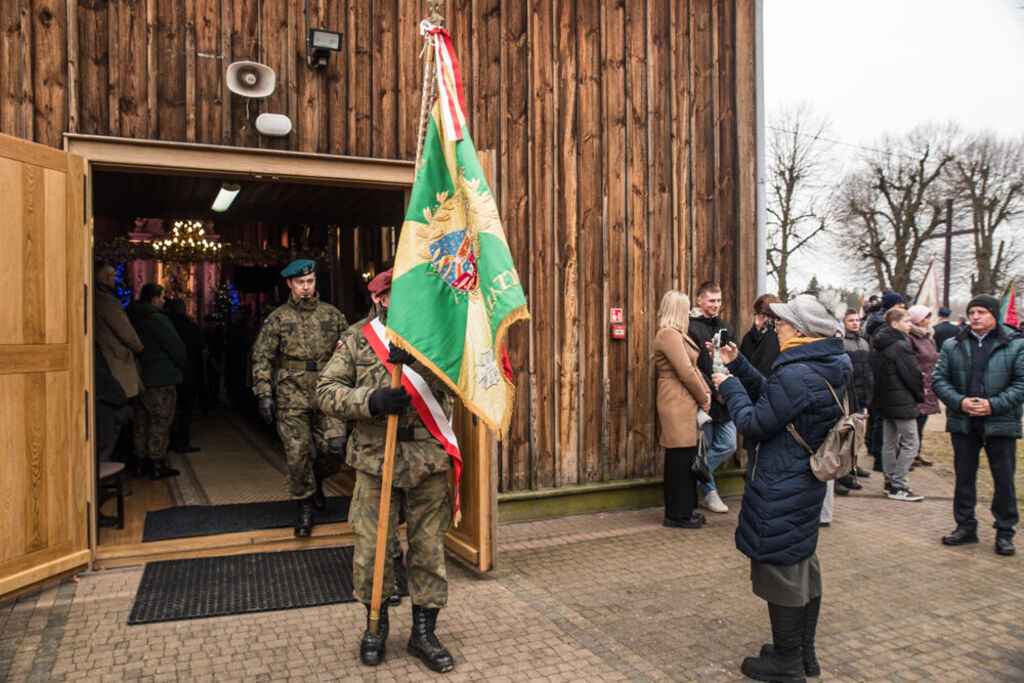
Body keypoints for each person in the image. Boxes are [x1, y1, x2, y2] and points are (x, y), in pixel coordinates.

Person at [317, 269, 457, 672]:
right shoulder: (359, 338)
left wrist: (421, 362)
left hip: (427, 458)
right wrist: (372, 400)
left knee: (428, 548)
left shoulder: (433, 335)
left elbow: (458, 383)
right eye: (400, 294)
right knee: (373, 550)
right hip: (376, 459)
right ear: (380, 299)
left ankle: (424, 633)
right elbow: (325, 390)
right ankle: (375, 627)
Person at [711, 293, 850, 681]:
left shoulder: (796, 371)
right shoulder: (826, 362)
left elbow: (756, 424)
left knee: (781, 569)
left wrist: (730, 387)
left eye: (783, 323)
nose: (777, 327)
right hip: (803, 480)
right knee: (802, 562)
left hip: (781, 481)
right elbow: (778, 397)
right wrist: (738, 364)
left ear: (800, 331)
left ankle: (787, 664)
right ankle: (803, 654)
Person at [251, 259, 349, 537]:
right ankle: (304, 507)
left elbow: (351, 355)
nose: (306, 288)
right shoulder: (278, 319)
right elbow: (261, 357)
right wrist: (263, 394)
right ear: (289, 284)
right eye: (300, 283)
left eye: (310, 282)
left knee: (334, 450)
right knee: (297, 455)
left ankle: (317, 479)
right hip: (291, 394)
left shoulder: (333, 316)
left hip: (327, 392)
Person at [933, 294, 1024, 557]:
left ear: (994, 314)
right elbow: (940, 380)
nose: (975, 317)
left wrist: (992, 405)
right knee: (964, 476)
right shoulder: (953, 344)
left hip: (1000, 422)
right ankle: (965, 526)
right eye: (972, 312)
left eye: (981, 312)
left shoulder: (1016, 344)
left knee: (1004, 479)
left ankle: (1005, 531)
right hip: (964, 421)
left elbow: (1020, 384)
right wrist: (960, 402)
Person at [654, 291, 712, 529]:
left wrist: (705, 392)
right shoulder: (668, 335)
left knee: (686, 456)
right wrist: (703, 395)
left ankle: (685, 509)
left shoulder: (677, 334)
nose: (690, 313)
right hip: (675, 400)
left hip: (683, 399)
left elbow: (692, 369)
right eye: (686, 308)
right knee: (678, 458)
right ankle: (677, 514)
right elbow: (685, 371)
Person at [687, 281, 737, 514]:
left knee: (728, 444)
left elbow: (734, 359)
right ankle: (710, 493)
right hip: (705, 398)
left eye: (718, 301)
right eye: (711, 301)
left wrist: (728, 389)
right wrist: (712, 391)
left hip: (726, 398)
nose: (716, 305)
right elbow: (693, 365)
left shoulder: (726, 327)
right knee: (705, 448)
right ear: (699, 301)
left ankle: (693, 479)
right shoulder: (691, 327)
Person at [128, 283, 187, 479]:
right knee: (160, 421)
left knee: (141, 422)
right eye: (162, 297)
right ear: (154, 299)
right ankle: (157, 464)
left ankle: (139, 463)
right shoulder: (157, 320)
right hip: (161, 378)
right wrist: (183, 366)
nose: (164, 301)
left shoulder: (132, 317)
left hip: (139, 377)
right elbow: (175, 347)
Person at [870, 308, 925, 501]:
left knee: (889, 442)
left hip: (884, 399)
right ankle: (899, 484)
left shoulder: (878, 344)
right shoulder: (900, 345)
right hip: (901, 400)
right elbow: (912, 374)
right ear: (895, 324)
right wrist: (920, 395)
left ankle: (889, 481)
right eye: (907, 321)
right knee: (911, 442)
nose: (910, 324)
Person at [94, 262, 144, 401]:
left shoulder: (96, 297)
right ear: (108, 279)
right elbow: (126, 332)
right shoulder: (106, 301)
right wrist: (139, 347)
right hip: (114, 358)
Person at [166, 298, 207, 454]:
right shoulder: (190, 326)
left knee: (170, 408)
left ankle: (169, 439)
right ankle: (182, 440)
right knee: (185, 408)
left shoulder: (167, 324)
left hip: (170, 372)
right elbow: (201, 345)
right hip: (188, 372)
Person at [840, 309, 873, 480]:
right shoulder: (843, 344)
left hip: (862, 394)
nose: (855, 323)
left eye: (857, 320)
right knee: (848, 433)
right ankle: (845, 468)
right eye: (851, 320)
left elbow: (869, 369)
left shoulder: (865, 343)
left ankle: (854, 463)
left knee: (858, 433)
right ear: (844, 323)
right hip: (849, 395)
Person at [907, 305, 940, 467]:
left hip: (929, 381)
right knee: (915, 420)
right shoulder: (910, 338)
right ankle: (909, 452)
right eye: (926, 317)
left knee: (923, 419)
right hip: (918, 382)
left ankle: (917, 451)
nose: (929, 321)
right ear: (918, 320)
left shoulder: (929, 336)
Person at [739, 294, 782, 377]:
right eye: (756, 315)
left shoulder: (777, 337)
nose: (757, 322)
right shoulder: (748, 338)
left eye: (763, 317)